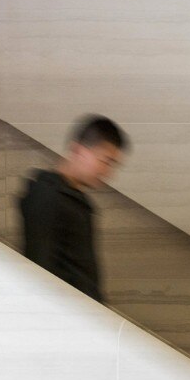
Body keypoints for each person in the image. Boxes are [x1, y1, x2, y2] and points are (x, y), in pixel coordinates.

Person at [18, 115, 129, 303]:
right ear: (78, 150)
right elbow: (40, 270)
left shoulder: (75, 198)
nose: (108, 172)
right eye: (105, 161)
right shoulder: (46, 195)